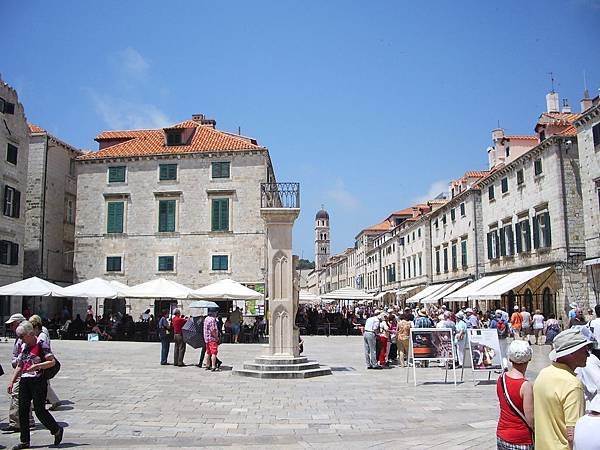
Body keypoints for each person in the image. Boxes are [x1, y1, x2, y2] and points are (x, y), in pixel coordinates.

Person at [7, 321, 63, 449]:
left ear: (30, 333)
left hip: (38, 381)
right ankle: (25, 441)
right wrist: (12, 381)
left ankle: (56, 430)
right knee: (23, 410)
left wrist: (37, 366)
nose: (20, 339)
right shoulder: (24, 345)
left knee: (39, 411)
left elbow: (52, 362)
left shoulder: (41, 344)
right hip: (25, 380)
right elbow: (20, 364)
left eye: (22, 336)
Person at [534, 328, 591, 449]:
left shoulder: (543, 374)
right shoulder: (573, 385)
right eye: (584, 350)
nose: (588, 354)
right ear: (572, 353)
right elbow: (573, 434)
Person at [496, 340, 534, 450]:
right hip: (521, 439)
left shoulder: (501, 379)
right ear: (529, 359)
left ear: (510, 358)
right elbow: (531, 420)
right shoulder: (525, 386)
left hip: (502, 434)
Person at [3, 314, 35, 433]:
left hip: (23, 371)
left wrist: (16, 361)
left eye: (12, 324)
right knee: (23, 396)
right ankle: (28, 420)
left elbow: (23, 358)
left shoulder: (25, 338)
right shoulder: (21, 336)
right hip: (21, 370)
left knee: (17, 395)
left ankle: (16, 423)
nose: (11, 327)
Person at [28, 315, 61, 410]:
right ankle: (48, 400)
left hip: (43, 361)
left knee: (42, 382)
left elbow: (41, 347)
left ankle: (50, 401)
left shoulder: (42, 335)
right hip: (43, 360)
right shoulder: (42, 332)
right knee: (44, 382)